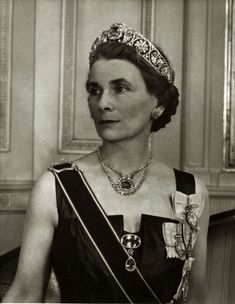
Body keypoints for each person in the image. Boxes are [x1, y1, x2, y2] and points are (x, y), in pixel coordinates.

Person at [2, 22, 209, 304]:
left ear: (157, 103)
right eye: (95, 90)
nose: (103, 104)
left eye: (120, 88)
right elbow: (24, 295)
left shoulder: (190, 192)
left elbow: (195, 299)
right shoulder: (55, 187)